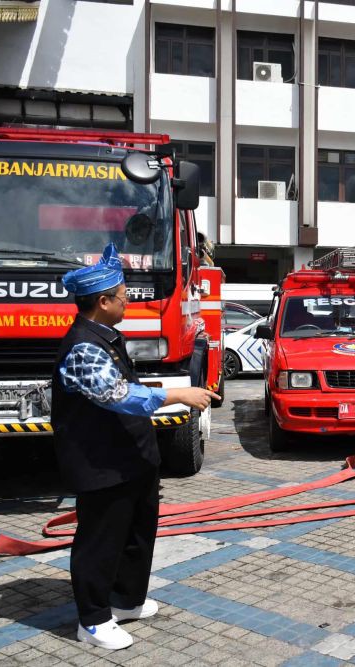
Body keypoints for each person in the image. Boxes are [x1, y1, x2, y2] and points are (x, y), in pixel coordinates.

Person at [53, 244, 219, 650]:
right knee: (100, 540)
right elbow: (117, 394)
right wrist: (180, 395)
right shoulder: (83, 348)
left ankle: (126, 600)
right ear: (103, 301)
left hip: (132, 458)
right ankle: (92, 620)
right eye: (123, 295)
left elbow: (130, 388)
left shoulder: (107, 336)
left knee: (137, 533)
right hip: (101, 463)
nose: (129, 300)